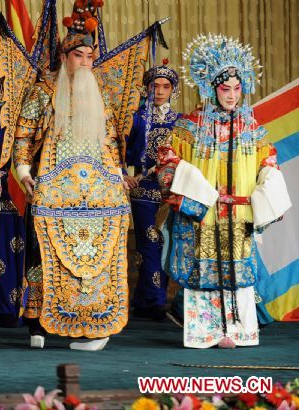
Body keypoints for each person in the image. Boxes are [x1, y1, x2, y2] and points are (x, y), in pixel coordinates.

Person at [157, 34, 291, 348]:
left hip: (238, 213)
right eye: (224, 89)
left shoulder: (251, 128)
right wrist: (196, 190)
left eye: (236, 88)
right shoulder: (190, 126)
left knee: (239, 271)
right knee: (205, 270)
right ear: (211, 89)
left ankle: (239, 329)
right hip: (206, 214)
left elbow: (268, 161)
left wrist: (267, 187)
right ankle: (206, 331)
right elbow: (166, 159)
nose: (231, 96)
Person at [13, 1, 130, 351]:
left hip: (95, 191)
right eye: (78, 56)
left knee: (95, 256)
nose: (85, 63)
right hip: (54, 187)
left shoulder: (100, 94)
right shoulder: (44, 90)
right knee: (43, 252)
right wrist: (22, 169)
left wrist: (119, 174)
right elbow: (23, 134)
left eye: (90, 57)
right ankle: (38, 324)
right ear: (65, 57)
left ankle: (91, 322)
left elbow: (109, 141)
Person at [124, 60, 181, 321]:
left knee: (166, 243)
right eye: (155, 86)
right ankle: (154, 301)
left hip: (170, 190)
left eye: (165, 86)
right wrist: (126, 174)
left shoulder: (181, 123)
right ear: (147, 88)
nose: (160, 91)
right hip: (144, 188)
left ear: (173, 90)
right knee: (149, 241)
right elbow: (117, 147)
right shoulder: (136, 119)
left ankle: (145, 298)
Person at [0, 111, 25, 328]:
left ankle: (33, 307)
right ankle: (6, 309)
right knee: (4, 252)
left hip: (36, 193)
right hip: (5, 194)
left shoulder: (46, 109)